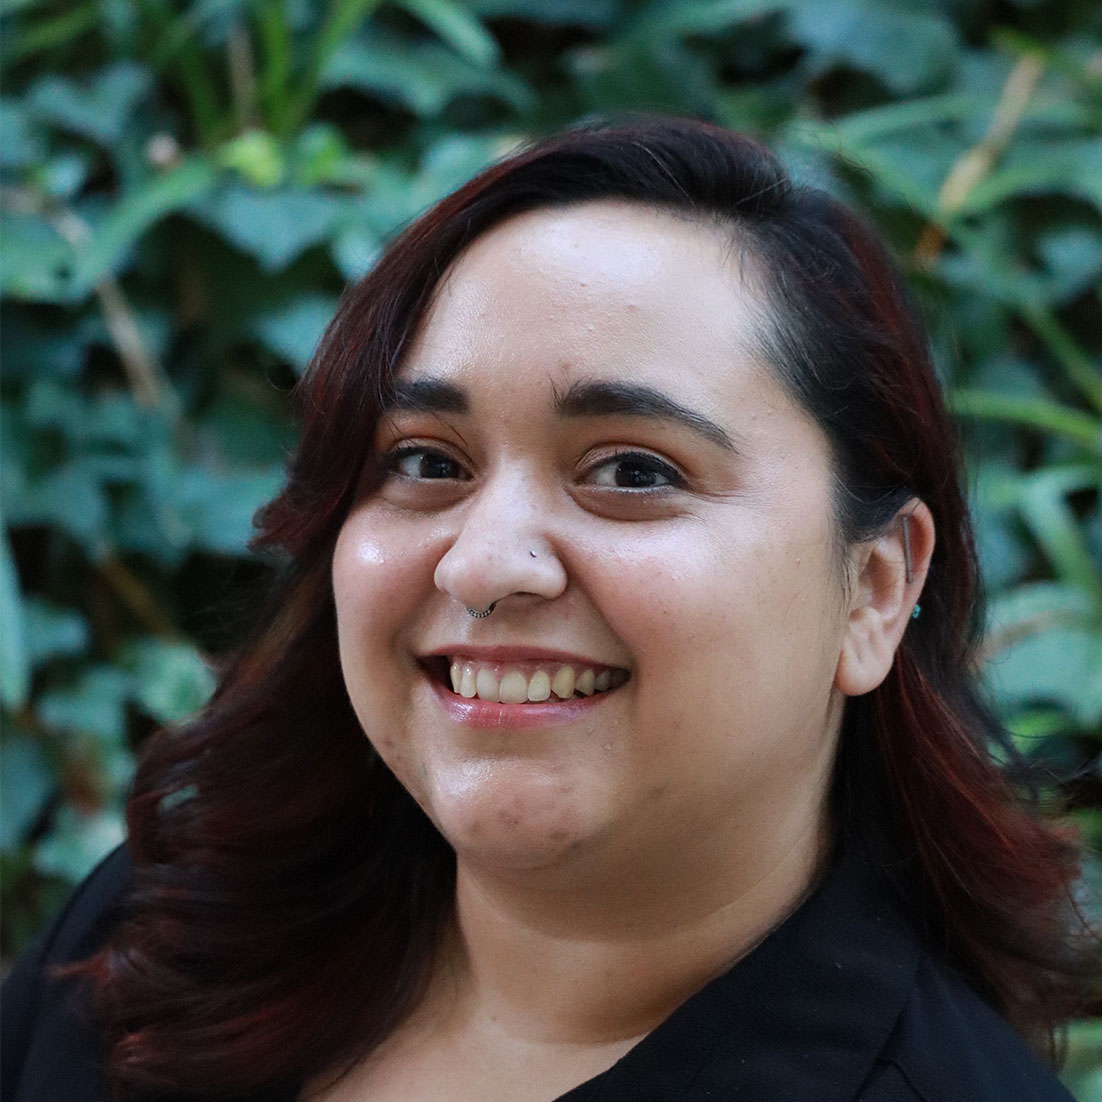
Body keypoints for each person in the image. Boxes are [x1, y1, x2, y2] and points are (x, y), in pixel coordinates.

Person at [2, 117, 1094, 1102]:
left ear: (874, 587)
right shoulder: (162, 930)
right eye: (426, 460)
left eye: (630, 472)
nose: (484, 565)